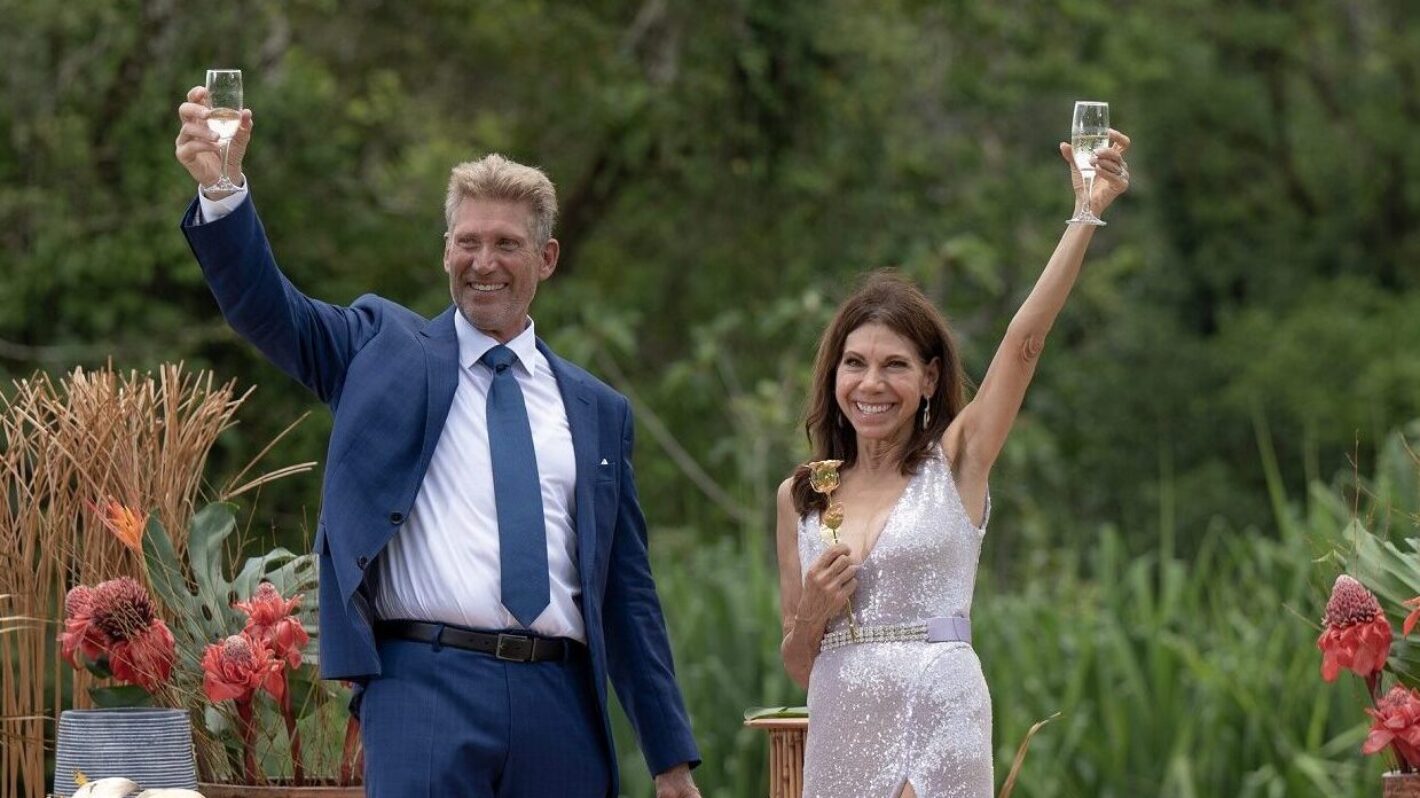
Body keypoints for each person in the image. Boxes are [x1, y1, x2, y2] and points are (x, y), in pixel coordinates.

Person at [173, 86, 701, 798]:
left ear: (546, 258)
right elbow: (270, 310)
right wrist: (224, 190)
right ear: (446, 250)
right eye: (468, 242)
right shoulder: (380, 348)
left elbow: (628, 594)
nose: (484, 261)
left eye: (506, 244)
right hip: (423, 688)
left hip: (562, 703)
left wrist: (671, 762)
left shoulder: (597, 410)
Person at [774, 131, 1132, 797]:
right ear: (834, 376)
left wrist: (1085, 214)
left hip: (940, 707)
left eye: (894, 366)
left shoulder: (958, 463)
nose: (870, 384)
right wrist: (815, 611)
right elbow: (798, 663)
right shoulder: (801, 495)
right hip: (842, 724)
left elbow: (1024, 342)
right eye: (855, 364)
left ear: (930, 378)